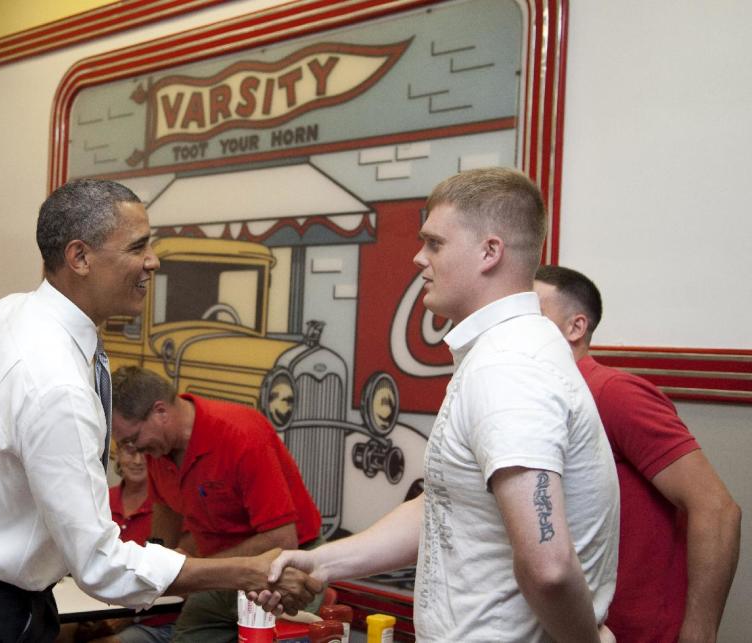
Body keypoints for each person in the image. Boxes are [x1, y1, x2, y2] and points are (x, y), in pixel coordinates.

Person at [0, 179, 320, 642]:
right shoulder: (56, 381)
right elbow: (100, 565)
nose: (152, 261)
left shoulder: (3, 315)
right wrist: (247, 571)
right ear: (80, 258)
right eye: (138, 246)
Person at [261, 168, 619, 642]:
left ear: (489, 251)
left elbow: (548, 568)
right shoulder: (499, 353)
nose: (419, 257)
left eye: (435, 243)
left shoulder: (509, 368)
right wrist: (323, 561)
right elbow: (449, 502)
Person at [534, 264, 741, 643]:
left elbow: (717, 508)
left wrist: (699, 633)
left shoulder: (614, 393)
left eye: (535, 316)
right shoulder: (537, 403)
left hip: (636, 631)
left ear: (575, 327)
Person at [109, 365, 324, 643]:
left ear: (160, 412)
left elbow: (282, 538)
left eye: (133, 439)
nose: (135, 451)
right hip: (221, 573)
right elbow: (166, 509)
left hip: (285, 568)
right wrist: (157, 563)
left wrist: (193, 570)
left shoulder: (240, 435)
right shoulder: (158, 449)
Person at [74, 446, 176, 643]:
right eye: (130, 452)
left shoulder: (167, 509)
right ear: (117, 455)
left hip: (153, 620)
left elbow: (173, 573)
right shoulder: (100, 499)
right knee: (55, 633)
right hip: (92, 609)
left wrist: (128, 617)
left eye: (144, 453)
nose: (138, 461)